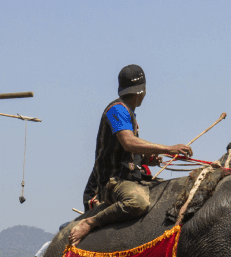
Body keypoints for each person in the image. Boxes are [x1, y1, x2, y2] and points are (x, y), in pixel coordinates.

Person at [67, 65, 192, 246]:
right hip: (114, 182)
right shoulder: (117, 110)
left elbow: (128, 151)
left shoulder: (128, 113)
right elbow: (129, 143)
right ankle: (91, 222)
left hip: (130, 179)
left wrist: (148, 159)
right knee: (138, 202)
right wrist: (168, 149)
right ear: (143, 91)